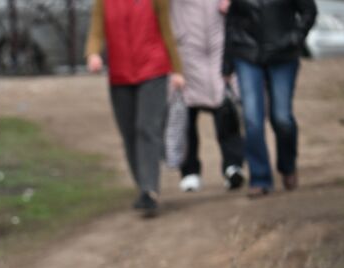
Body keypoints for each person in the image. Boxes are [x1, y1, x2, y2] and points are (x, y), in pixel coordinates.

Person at [86, 0, 186, 217]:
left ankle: (150, 190)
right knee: (129, 133)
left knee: (146, 127)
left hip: (153, 70)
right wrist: (93, 54)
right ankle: (143, 187)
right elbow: (96, 30)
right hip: (120, 75)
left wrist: (177, 69)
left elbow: (166, 29)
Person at [222, 0, 315, 197]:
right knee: (252, 119)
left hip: (284, 54)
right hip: (247, 54)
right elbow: (231, 23)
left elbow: (309, 11)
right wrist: (227, 64)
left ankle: (287, 165)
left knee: (282, 118)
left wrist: (295, 37)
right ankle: (260, 177)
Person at [171, 0, 245, 193]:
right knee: (186, 117)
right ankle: (189, 171)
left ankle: (232, 165)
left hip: (218, 48)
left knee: (226, 113)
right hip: (186, 52)